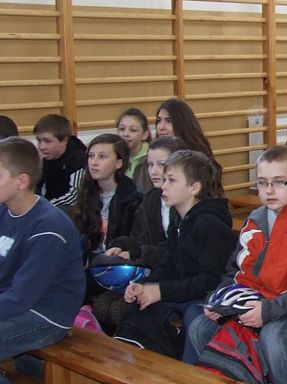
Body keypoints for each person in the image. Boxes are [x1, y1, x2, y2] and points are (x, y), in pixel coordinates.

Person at [187, 146, 287, 384]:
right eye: (262, 182)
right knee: (201, 326)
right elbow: (236, 272)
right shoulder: (255, 220)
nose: (269, 190)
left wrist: (268, 311)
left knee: (275, 336)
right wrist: (221, 301)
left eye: (279, 182)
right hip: (260, 301)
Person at [0, 137, 84, 384]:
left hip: (45, 315)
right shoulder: (3, 211)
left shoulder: (48, 226)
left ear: (22, 181)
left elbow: (22, 298)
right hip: (14, 304)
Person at [123, 150, 234, 325]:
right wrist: (144, 284)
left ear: (194, 188)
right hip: (183, 292)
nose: (164, 186)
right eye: (164, 179)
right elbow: (168, 264)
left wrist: (161, 291)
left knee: (190, 317)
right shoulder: (178, 219)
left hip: (206, 298)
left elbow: (211, 281)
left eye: (172, 180)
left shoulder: (209, 224)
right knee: (136, 307)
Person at [106, 137, 186, 269]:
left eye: (161, 165)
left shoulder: (189, 201)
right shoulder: (150, 200)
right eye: (150, 164)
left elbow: (180, 250)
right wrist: (122, 246)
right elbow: (139, 240)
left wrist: (139, 253)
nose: (153, 171)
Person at [72, 134, 141, 281]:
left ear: (118, 163)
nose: (94, 162)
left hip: (114, 267)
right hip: (87, 264)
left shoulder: (133, 199)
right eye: (91, 156)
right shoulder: (87, 192)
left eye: (102, 157)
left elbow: (131, 244)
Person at [155, 99, 224, 198]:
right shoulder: (155, 153)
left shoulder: (198, 159)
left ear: (182, 124)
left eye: (169, 121)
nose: (161, 127)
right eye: (159, 121)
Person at [34, 113, 86, 211]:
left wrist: (45, 207)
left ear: (64, 141)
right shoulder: (43, 157)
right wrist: (37, 169)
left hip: (71, 211)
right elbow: (33, 190)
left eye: (47, 141)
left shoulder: (78, 158)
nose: (41, 146)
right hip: (49, 207)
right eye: (39, 140)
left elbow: (75, 196)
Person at [117, 107, 152, 193]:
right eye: (122, 129)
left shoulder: (151, 157)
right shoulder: (115, 156)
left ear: (145, 135)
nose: (126, 134)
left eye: (133, 130)